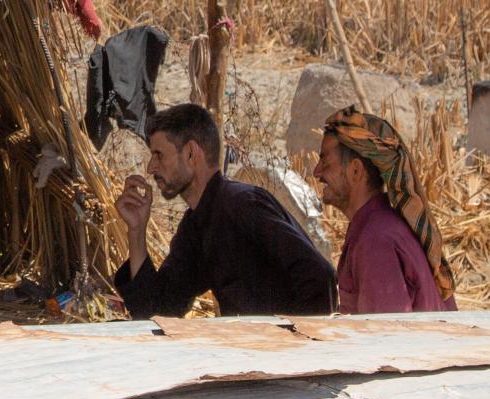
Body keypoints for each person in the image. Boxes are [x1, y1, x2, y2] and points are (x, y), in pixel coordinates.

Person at [114, 103, 335, 318]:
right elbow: (160, 309)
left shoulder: (243, 204)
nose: (151, 167)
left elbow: (319, 276)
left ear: (191, 153)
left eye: (159, 155)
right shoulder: (196, 225)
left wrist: (299, 347)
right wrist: (136, 230)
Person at [313, 108, 456, 314]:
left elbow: (384, 337)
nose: (317, 172)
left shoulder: (375, 242)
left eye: (325, 161)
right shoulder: (381, 227)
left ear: (355, 171)